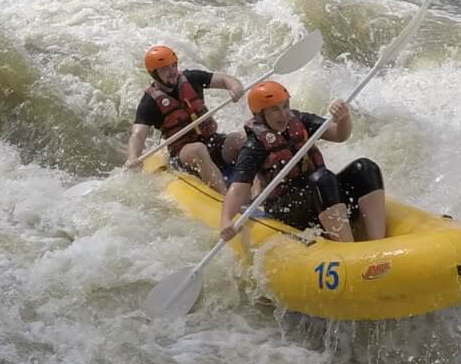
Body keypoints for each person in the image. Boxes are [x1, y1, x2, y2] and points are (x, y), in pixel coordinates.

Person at [219, 80, 387, 243]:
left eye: (285, 106)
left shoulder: (301, 120)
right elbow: (238, 189)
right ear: (260, 115)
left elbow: (339, 135)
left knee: (365, 167)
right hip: (287, 209)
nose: (284, 113)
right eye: (275, 109)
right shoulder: (254, 145)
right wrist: (226, 219)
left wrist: (343, 118)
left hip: (321, 194)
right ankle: (347, 248)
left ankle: (378, 242)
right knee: (323, 178)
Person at [127, 45, 246, 193]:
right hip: (184, 155)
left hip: (211, 141)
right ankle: (226, 198)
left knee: (242, 139)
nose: (172, 71)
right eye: (165, 69)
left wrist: (235, 87)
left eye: (173, 65)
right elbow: (138, 135)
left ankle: (257, 190)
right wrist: (133, 156)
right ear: (154, 73)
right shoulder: (150, 103)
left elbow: (223, 79)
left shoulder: (191, 78)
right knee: (198, 149)